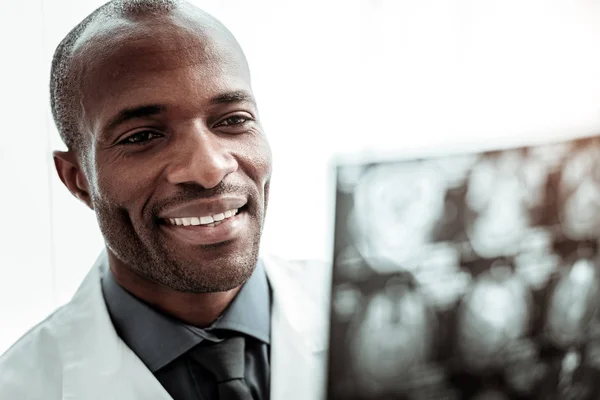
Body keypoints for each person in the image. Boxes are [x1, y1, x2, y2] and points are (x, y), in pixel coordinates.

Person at [0, 1, 329, 399]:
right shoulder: (21, 387)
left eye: (233, 119)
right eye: (142, 137)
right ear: (78, 179)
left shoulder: (396, 326)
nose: (209, 169)